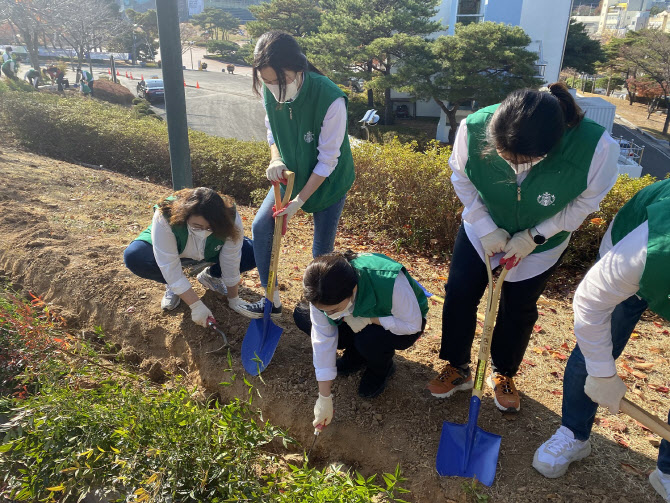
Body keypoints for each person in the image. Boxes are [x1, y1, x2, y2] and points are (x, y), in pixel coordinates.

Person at [426, 82, 620, 412]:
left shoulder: (597, 147)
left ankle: (503, 372)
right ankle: (457, 366)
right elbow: (461, 177)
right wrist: (486, 227)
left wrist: (534, 236)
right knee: (459, 294)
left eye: (527, 160)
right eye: (506, 157)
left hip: (542, 245)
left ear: (554, 142)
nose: (516, 167)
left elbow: (585, 203)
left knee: (518, 308)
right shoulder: (475, 127)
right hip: (481, 231)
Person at [533, 179, 670, 500]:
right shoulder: (651, 251)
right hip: (636, 243)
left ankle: (667, 469)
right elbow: (591, 299)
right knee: (597, 346)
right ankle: (574, 434)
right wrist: (601, 372)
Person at [249, 31, 355, 319]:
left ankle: (316, 306)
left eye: (277, 81)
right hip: (291, 175)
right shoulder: (270, 91)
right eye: (266, 82)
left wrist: (298, 201)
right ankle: (270, 297)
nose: (272, 88)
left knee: (321, 250)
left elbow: (327, 160)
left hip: (328, 181)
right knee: (260, 228)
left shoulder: (330, 98)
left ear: (296, 69)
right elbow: (272, 132)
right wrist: (276, 157)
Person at [294, 251, 428, 431]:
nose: (329, 315)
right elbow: (322, 340)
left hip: (402, 323)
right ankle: (356, 355)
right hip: (355, 316)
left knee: (368, 339)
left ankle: (381, 368)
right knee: (303, 316)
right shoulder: (319, 288)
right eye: (325, 311)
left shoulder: (388, 281)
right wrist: (324, 398)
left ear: (353, 289)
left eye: (334, 309)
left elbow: (412, 324)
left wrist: (370, 320)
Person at [123, 187, 259, 326]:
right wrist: (196, 306)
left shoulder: (230, 218)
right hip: (175, 249)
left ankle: (212, 276)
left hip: (210, 250)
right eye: (197, 226)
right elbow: (168, 262)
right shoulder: (165, 215)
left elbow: (231, 258)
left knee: (254, 253)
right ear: (185, 216)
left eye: (210, 228)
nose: (204, 232)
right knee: (135, 257)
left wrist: (234, 299)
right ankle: (172, 286)